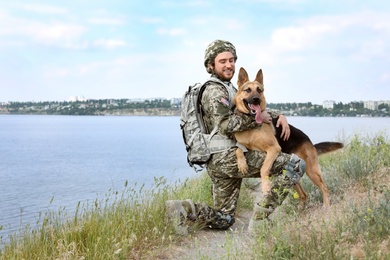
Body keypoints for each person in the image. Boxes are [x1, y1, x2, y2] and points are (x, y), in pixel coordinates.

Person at [166, 39, 306, 234]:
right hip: (226, 157)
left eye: (231, 60)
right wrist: (259, 120)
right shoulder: (215, 91)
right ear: (210, 65)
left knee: (224, 218)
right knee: (296, 164)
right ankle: (260, 219)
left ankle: (184, 209)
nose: (229, 64)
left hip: (222, 157)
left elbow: (248, 108)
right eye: (222, 61)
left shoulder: (229, 88)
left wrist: (276, 115)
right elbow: (226, 125)